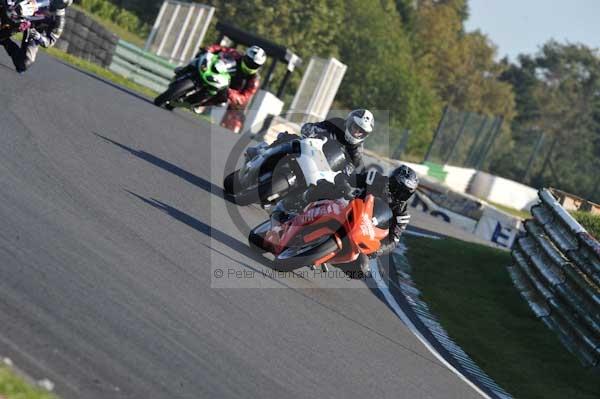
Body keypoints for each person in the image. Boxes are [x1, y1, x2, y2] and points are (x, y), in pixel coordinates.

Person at [273, 164, 418, 275]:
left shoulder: (402, 214)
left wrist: (376, 250)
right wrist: (345, 186)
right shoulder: (375, 179)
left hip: (363, 230)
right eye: (397, 187)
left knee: (362, 269)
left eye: (405, 193)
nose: (399, 194)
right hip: (345, 206)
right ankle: (295, 204)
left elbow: (393, 241)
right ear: (391, 180)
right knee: (325, 185)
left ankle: (325, 255)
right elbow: (347, 178)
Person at [189, 44, 266, 133]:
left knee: (222, 100)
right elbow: (221, 48)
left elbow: (244, 98)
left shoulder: (254, 80)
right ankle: (184, 71)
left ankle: (199, 104)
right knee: (200, 58)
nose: (250, 65)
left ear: (259, 67)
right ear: (245, 56)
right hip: (215, 72)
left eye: (254, 65)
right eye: (249, 61)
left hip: (227, 89)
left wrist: (231, 93)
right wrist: (209, 49)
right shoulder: (235, 54)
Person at [271, 109, 375, 175]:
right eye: (355, 127)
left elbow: (351, 170)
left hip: (324, 170)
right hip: (311, 151)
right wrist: (312, 130)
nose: (357, 132)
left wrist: (344, 174)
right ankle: (265, 153)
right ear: (349, 122)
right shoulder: (337, 123)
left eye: (361, 132)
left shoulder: (357, 152)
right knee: (289, 140)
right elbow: (317, 126)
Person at [0, 0, 71, 73]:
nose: (54, 3)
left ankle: (4, 41)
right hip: (18, 12)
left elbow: (51, 40)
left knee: (23, 63)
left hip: (34, 30)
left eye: (59, 3)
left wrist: (39, 37)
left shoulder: (59, 20)